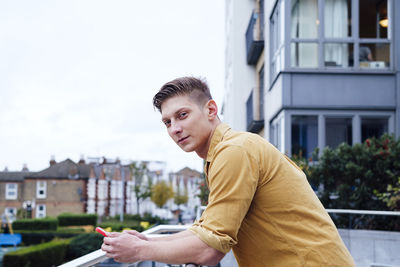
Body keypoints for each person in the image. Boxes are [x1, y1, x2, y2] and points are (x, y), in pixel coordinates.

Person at [101, 77, 355, 266]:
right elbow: (205, 228)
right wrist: (147, 242)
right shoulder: (224, 152)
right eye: (167, 122)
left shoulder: (234, 151)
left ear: (211, 110)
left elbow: (209, 250)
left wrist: (138, 252)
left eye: (182, 115)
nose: (174, 128)